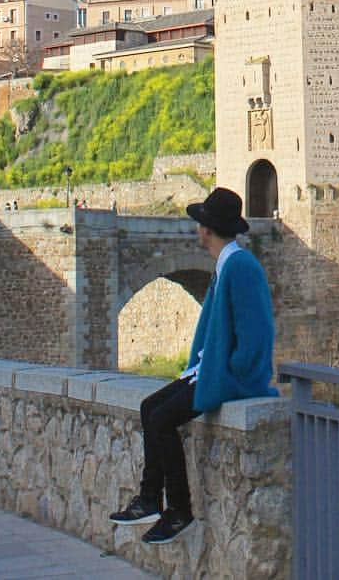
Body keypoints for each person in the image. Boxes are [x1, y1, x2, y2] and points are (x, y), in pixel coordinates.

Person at [110, 187, 276, 545]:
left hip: (231, 379)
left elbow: (257, 333)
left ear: (206, 229)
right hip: (209, 371)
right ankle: (150, 499)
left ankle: (179, 510)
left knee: (161, 419)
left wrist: (232, 374)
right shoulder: (227, 264)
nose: (196, 230)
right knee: (149, 407)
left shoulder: (241, 266)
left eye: (199, 224)